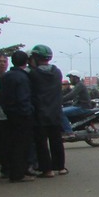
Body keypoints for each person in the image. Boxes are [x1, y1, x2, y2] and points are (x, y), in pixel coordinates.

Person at [28, 45, 67, 177]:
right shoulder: (57, 72)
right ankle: (60, 167)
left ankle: (47, 170)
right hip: (55, 113)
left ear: (36, 57)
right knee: (56, 140)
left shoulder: (33, 74)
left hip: (40, 113)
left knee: (41, 143)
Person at [0, 50, 36, 182]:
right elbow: (23, 98)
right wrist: (28, 112)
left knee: (11, 144)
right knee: (22, 146)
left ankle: (11, 171)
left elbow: (2, 97)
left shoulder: (5, 76)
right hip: (22, 115)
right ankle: (18, 174)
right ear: (26, 62)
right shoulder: (23, 77)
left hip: (9, 114)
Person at [61, 69, 92, 138]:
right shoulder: (78, 85)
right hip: (78, 105)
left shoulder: (80, 85)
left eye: (71, 78)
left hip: (82, 107)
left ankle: (69, 132)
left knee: (60, 113)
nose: (70, 80)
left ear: (76, 78)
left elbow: (71, 95)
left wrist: (60, 100)